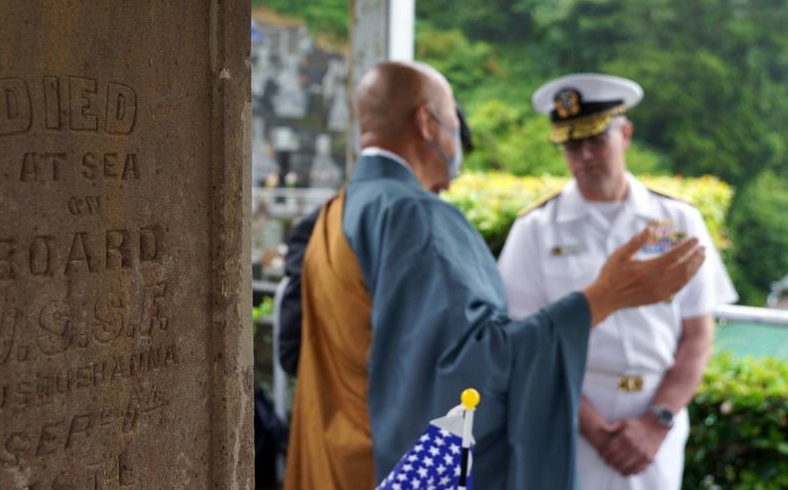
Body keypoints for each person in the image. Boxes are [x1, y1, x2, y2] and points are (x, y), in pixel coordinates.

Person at [283, 62, 706, 489]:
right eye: (453, 121)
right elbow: (477, 370)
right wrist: (602, 297)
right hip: (391, 467)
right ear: (427, 124)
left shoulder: (337, 211)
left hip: (337, 455)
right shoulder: (417, 217)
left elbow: (299, 348)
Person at [498, 73, 737, 489]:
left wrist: (656, 422)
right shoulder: (535, 229)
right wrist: (595, 430)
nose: (585, 156)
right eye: (572, 145)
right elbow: (526, 342)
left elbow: (698, 334)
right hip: (571, 418)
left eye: (597, 140)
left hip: (658, 417)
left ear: (625, 134)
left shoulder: (678, 221)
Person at [276, 107, 476, 377]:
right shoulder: (326, 228)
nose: (447, 185)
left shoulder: (442, 232)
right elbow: (294, 350)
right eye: (445, 164)